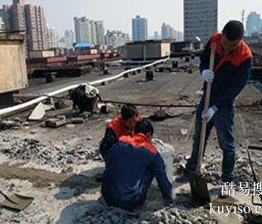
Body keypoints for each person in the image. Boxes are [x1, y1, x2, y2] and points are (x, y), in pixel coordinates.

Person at [183, 20, 253, 183]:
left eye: (232, 45)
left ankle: (227, 178)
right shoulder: (215, 39)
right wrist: (204, 71)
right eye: (225, 43)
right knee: (199, 135)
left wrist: (215, 107)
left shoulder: (245, 56)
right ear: (222, 35)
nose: (227, 47)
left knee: (226, 144)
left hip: (224, 103)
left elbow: (236, 87)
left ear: (240, 40)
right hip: (208, 93)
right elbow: (204, 59)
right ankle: (193, 168)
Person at [101, 119, 173, 212]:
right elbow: (162, 177)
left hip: (108, 197)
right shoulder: (151, 150)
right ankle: (136, 204)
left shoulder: (119, 142)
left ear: (134, 132)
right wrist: (168, 196)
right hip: (130, 201)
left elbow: (109, 164)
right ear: (148, 134)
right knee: (153, 167)